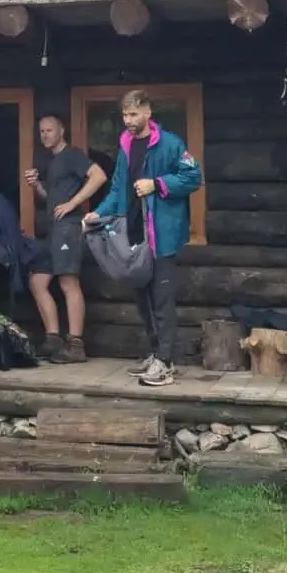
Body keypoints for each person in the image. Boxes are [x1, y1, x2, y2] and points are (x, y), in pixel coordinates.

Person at [93, 88, 203, 388]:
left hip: (162, 236)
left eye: (133, 114)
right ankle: (155, 354)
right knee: (142, 299)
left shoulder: (170, 144)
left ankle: (166, 363)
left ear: (147, 112)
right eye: (125, 115)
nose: (128, 120)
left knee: (162, 300)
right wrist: (98, 213)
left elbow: (194, 177)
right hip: (133, 232)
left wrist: (157, 184)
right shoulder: (126, 146)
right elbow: (118, 188)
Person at [23, 112, 106, 364]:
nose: (44, 135)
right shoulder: (55, 161)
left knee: (68, 283)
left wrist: (73, 204)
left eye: (49, 130)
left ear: (61, 132)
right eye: (41, 131)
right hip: (53, 230)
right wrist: (37, 186)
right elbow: (52, 200)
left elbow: (99, 176)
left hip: (68, 228)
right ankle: (53, 339)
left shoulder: (72, 155)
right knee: (38, 281)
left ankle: (75, 345)